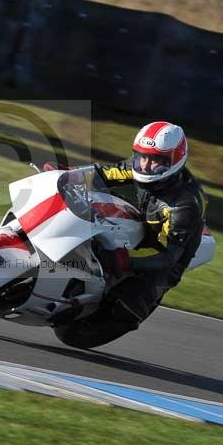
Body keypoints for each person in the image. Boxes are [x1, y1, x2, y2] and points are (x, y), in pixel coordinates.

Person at [46, 121, 208, 329]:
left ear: (174, 161)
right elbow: (104, 173)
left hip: (167, 254)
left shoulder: (184, 206)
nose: (146, 166)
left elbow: (166, 255)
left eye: (156, 160)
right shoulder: (138, 165)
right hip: (142, 221)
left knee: (129, 304)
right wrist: (67, 175)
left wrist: (124, 258)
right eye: (143, 156)